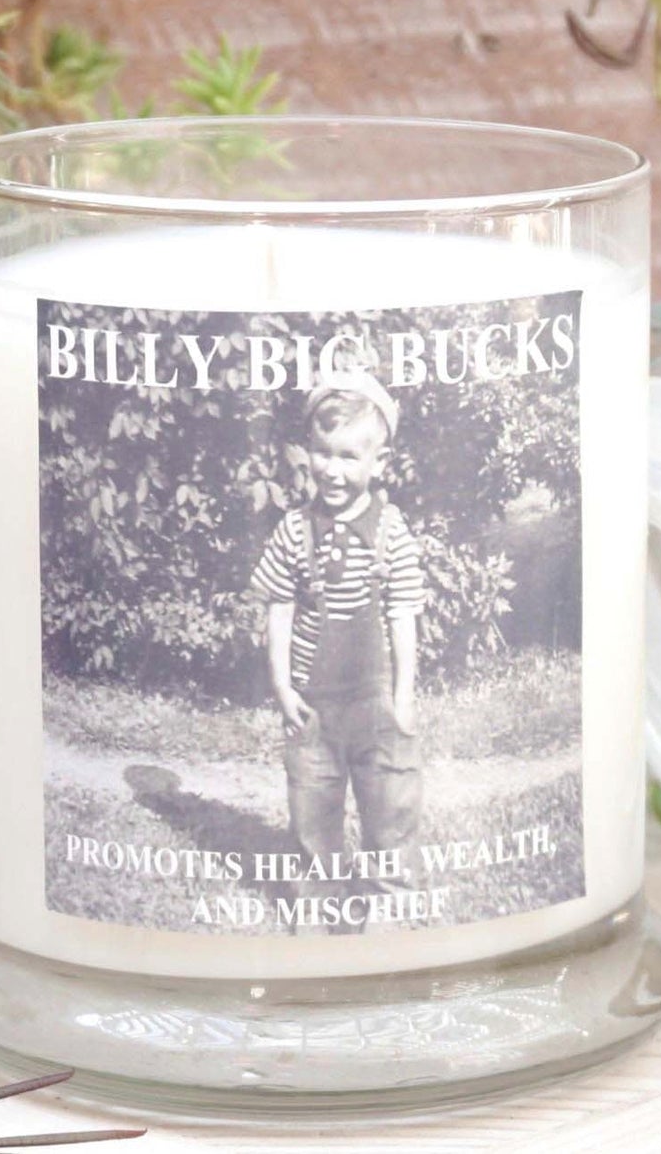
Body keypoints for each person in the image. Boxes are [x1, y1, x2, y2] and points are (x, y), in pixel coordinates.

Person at [248, 370, 426, 930]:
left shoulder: (391, 530)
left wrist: (404, 698)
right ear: (307, 453)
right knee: (312, 814)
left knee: (390, 811)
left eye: (349, 456)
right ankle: (315, 908)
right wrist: (282, 688)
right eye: (323, 453)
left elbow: (403, 613)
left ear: (380, 462)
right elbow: (279, 608)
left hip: (376, 705)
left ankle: (389, 907)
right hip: (313, 708)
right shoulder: (294, 530)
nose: (332, 470)